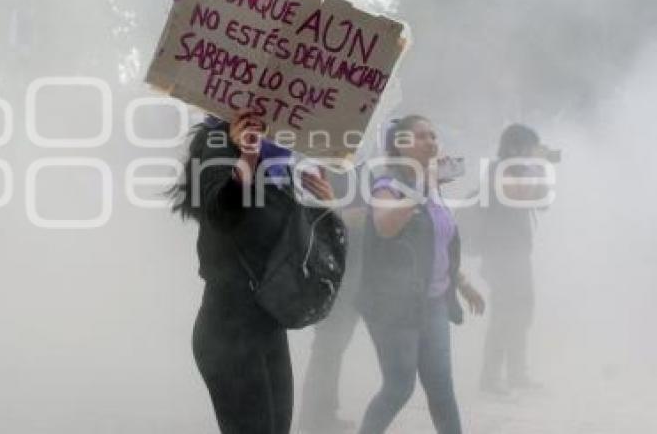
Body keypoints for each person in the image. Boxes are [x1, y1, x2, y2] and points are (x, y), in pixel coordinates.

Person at [169, 109, 338, 434]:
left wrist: (324, 208)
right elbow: (220, 215)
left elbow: (293, 246)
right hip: (228, 328)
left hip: (268, 322)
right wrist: (247, 158)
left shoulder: (280, 157)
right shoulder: (217, 140)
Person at [354, 115, 485, 434]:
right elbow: (385, 226)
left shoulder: (434, 185)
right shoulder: (387, 183)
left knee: (441, 387)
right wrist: (421, 188)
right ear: (401, 146)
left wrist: (463, 283)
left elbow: (440, 243)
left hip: (434, 301)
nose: (432, 142)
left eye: (433, 136)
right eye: (422, 136)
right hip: (392, 306)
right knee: (398, 387)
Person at [478, 123, 554, 394]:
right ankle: (490, 379)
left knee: (521, 315)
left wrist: (539, 167)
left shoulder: (521, 170)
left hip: (517, 254)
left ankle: (516, 374)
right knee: (505, 316)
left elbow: (543, 202)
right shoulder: (498, 170)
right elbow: (518, 196)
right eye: (531, 147)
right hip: (501, 256)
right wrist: (537, 165)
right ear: (515, 146)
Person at [298, 168, 367, 434]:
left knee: (334, 348)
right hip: (331, 273)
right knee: (328, 347)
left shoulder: (357, 169)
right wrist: (343, 216)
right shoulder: (318, 166)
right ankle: (312, 420)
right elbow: (306, 218)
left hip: (354, 269)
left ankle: (325, 413)